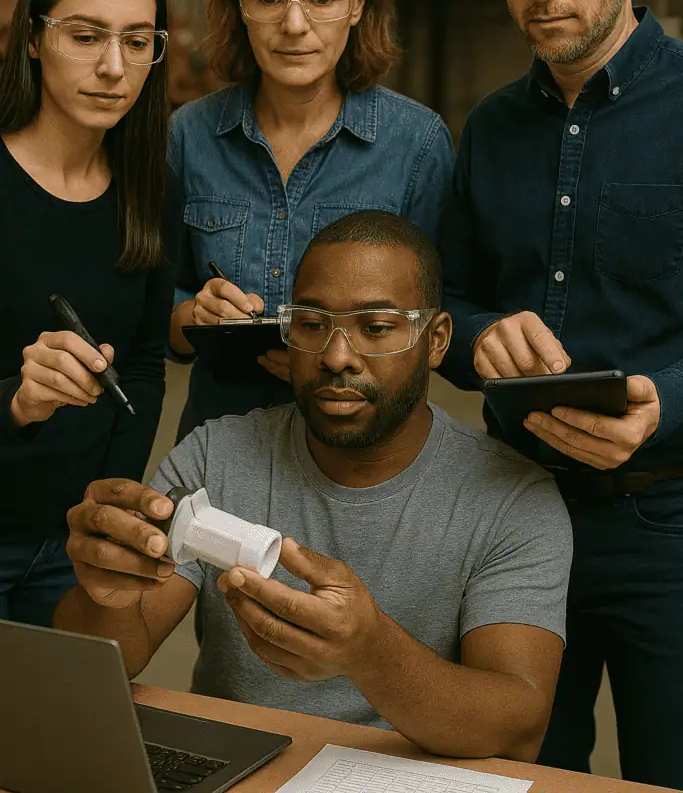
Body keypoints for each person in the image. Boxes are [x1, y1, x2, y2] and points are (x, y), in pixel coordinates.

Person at [57, 211, 572, 761]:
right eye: (310, 324)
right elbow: (100, 662)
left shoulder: (512, 498)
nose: (335, 356)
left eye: (375, 328)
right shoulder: (215, 458)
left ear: (436, 340)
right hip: (241, 768)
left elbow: (517, 728)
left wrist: (370, 653)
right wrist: (106, 593)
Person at [441, 0, 683, 788]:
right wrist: (477, 335)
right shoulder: (491, 130)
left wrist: (666, 403)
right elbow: (445, 302)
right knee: (520, 773)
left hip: (665, 521)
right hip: (511, 519)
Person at [168, 0, 456, 439]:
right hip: (223, 440)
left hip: (362, 452)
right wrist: (192, 318)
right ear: (240, 3)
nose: (295, 25)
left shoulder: (417, 144)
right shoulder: (190, 135)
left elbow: (445, 322)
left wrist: (345, 350)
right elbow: (158, 308)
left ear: (357, 3)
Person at [0, 0, 179, 627]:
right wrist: (17, 400)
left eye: (137, 42)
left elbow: (140, 366)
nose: (113, 66)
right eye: (86, 36)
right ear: (36, 36)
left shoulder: (151, 191)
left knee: (56, 735)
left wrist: (107, 508)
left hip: (75, 544)